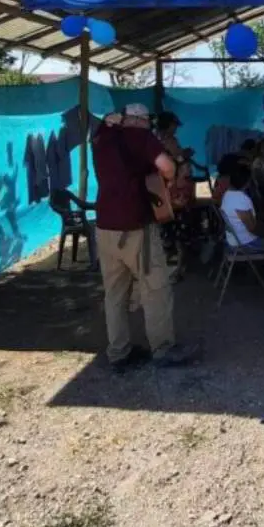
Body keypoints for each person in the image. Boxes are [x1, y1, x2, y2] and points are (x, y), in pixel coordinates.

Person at [91, 103, 196, 372]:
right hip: (135, 226)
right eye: (146, 120)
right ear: (138, 120)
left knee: (114, 293)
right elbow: (166, 166)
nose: (149, 124)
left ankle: (118, 352)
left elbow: (105, 125)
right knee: (156, 287)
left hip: (104, 225)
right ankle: (162, 348)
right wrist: (169, 177)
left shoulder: (102, 136)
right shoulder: (141, 137)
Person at [221, 163, 264, 252]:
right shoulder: (241, 199)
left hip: (233, 240)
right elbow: (252, 228)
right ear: (247, 182)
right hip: (245, 243)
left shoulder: (227, 194)